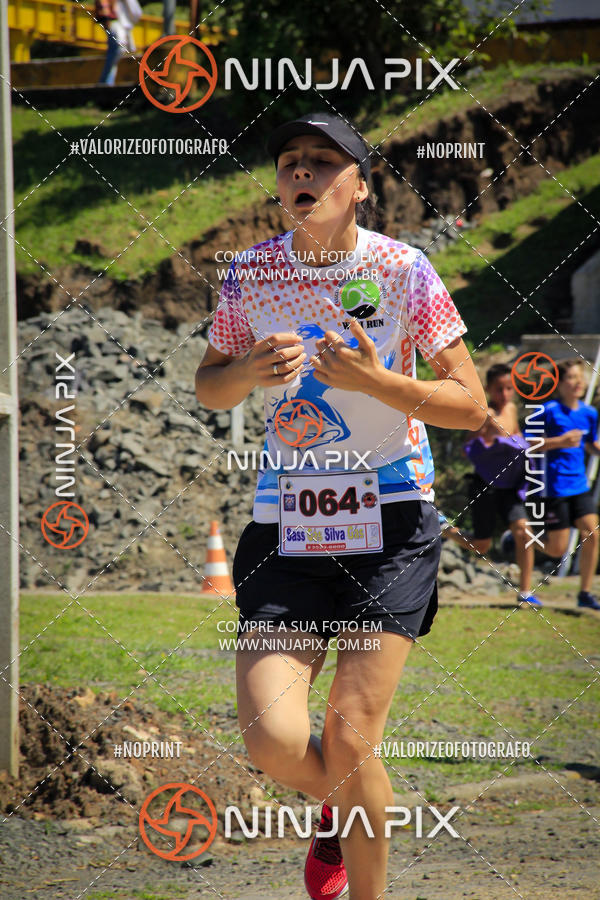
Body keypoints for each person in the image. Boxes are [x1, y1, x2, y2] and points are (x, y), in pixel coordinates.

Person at [195, 111, 487, 900]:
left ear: (359, 186)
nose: (302, 172)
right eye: (290, 160)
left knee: (352, 734)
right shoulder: (250, 274)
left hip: (390, 520)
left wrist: (378, 384)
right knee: (273, 739)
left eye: (324, 162)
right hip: (287, 524)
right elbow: (208, 383)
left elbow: (471, 404)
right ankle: (338, 811)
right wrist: (247, 373)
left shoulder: (404, 269)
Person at [443, 363, 541, 605]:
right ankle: (444, 529)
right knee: (480, 546)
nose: (505, 394)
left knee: (524, 532)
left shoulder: (512, 408)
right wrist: (486, 434)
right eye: (499, 389)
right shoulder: (481, 411)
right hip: (485, 484)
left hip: (509, 486)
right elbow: (468, 448)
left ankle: (526, 591)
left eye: (509, 388)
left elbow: (515, 435)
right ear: (488, 389)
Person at [529, 358, 600, 609]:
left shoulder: (590, 413)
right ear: (558, 383)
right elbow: (530, 444)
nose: (578, 382)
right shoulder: (547, 410)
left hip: (579, 484)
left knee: (592, 533)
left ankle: (585, 592)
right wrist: (560, 441)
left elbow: (591, 445)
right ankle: (516, 539)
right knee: (557, 550)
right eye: (571, 377)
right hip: (554, 486)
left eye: (581, 377)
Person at [96, 0, 141, 86]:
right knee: (116, 52)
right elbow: (136, 12)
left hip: (116, 23)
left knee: (116, 53)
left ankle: (106, 82)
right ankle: (105, 82)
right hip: (116, 23)